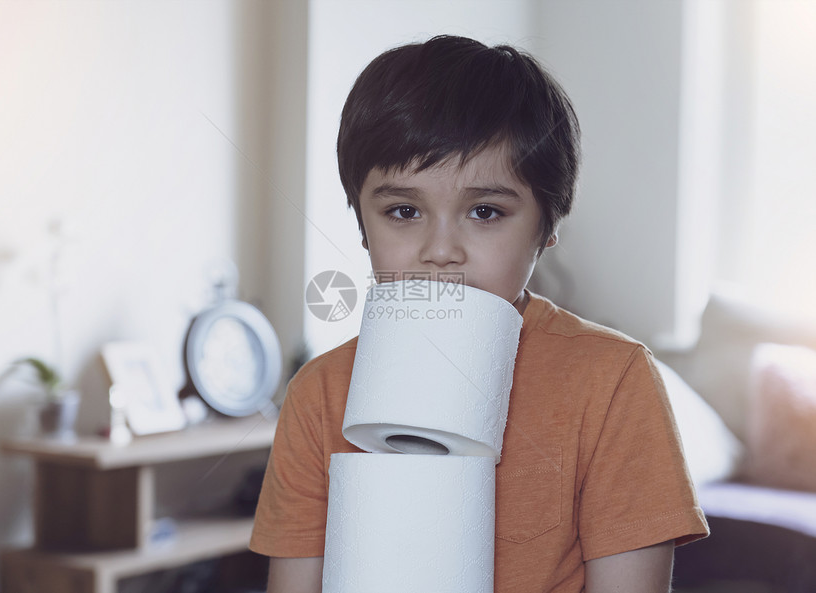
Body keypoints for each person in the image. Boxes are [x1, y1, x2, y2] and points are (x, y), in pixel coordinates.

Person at [250, 35, 708, 593]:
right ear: (362, 225)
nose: (441, 249)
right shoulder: (318, 397)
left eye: (485, 211)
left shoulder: (612, 383)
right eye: (402, 211)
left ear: (547, 226)